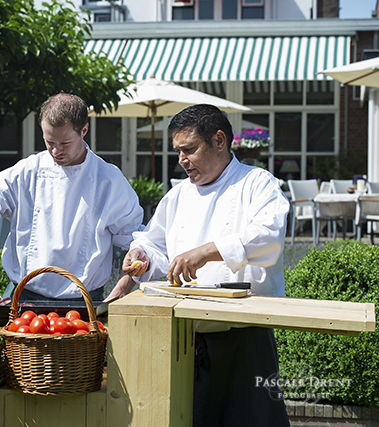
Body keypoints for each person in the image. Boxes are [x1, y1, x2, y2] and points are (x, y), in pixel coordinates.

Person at [116, 104, 290, 426]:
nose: (182, 159)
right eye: (178, 151)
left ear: (219, 140)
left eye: (189, 149)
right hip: (188, 337)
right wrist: (143, 257)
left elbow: (269, 236)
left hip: (245, 337)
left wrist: (207, 252)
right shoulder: (179, 195)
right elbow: (154, 241)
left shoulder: (257, 183)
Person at [0, 93, 143, 301]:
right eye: (49, 141)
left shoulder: (110, 180)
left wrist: (117, 295)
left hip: (85, 301)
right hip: (23, 296)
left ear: (84, 130)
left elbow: (137, 245)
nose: (56, 151)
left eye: (65, 142)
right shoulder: (25, 172)